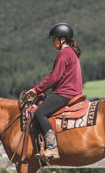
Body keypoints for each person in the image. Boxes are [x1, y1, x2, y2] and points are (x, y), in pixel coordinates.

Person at [26, 23, 82, 159]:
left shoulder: (63, 53)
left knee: (40, 112)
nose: (52, 42)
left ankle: (52, 147)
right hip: (72, 92)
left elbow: (54, 77)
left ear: (62, 39)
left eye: (54, 39)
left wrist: (36, 89)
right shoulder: (71, 53)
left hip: (65, 93)